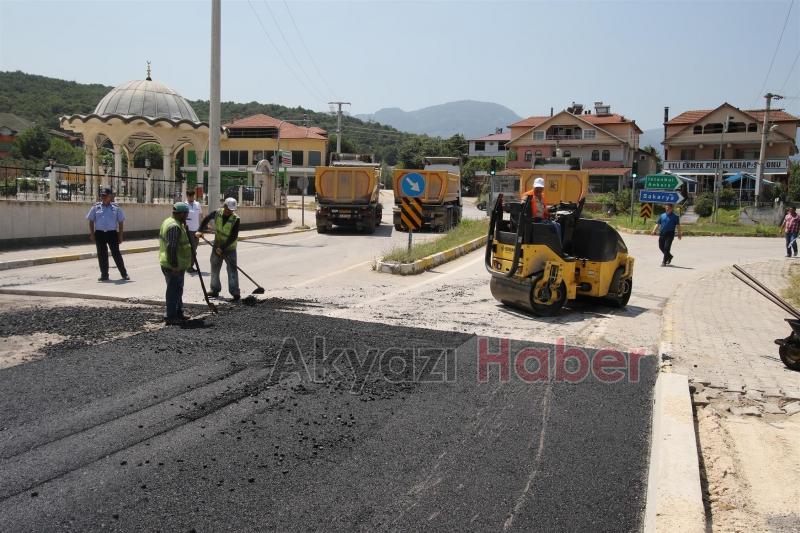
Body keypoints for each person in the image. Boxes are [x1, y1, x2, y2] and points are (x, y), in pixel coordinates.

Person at [197, 197, 240, 301]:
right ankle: (214, 289)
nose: (230, 212)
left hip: (230, 247)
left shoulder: (236, 219)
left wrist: (223, 248)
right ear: (224, 206)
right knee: (215, 266)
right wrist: (200, 230)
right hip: (217, 245)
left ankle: (235, 292)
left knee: (232, 269)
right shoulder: (217, 213)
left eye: (232, 210)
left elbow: (233, 236)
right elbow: (206, 219)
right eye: (228, 209)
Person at [86, 187, 129, 281]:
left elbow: (121, 222)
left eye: (105, 195)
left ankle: (124, 274)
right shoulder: (96, 207)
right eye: (102, 195)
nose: (103, 197)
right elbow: (91, 221)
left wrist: (120, 235)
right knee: (102, 255)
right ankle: (104, 275)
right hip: (100, 234)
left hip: (112, 233)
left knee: (116, 254)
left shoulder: (116, 208)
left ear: (110, 196)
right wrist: (92, 234)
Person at [159, 202, 193, 324]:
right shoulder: (174, 227)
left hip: (173, 263)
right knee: (173, 291)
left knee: (177, 289)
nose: (187, 216)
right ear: (182, 214)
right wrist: (174, 265)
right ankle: (171, 316)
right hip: (173, 265)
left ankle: (178, 313)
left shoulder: (171, 222)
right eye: (186, 214)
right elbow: (171, 247)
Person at [522, 177, 561, 242]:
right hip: (534, 220)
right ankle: (559, 246)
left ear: (543, 188)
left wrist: (552, 210)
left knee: (558, 225)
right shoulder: (528, 195)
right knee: (555, 226)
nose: (539, 190)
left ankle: (557, 245)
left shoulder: (542, 197)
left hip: (542, 219)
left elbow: (543, 209)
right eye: (537, 188)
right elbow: (523, 206)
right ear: (533, 187)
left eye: (540, 188)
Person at [185, 189, 203, 273]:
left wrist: (202, 228)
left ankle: (189, 265)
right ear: (187, 196)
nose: (191, 197)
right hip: (188, 231)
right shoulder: (184, 205)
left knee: (194, 249)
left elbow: (200, 216)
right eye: (189, 196)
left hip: (196, 230)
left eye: (192, 196)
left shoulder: (197, 204)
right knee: (191, 249)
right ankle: (189, 266)